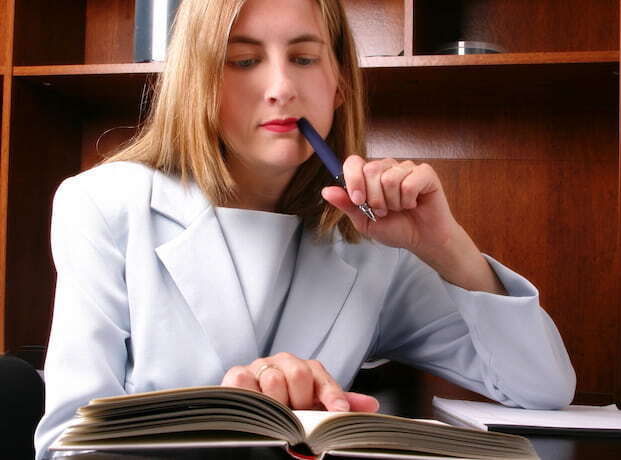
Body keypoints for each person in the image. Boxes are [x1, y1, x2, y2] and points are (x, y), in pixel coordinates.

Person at [34, 0, 576, 458]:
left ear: (338, 82)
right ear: (198, 82)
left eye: (304, 58)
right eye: (243, 60)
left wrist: (445, 246)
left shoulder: (373, 242)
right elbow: (65, 441)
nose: (281, 88)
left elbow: (542, 389)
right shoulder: (104, 205)